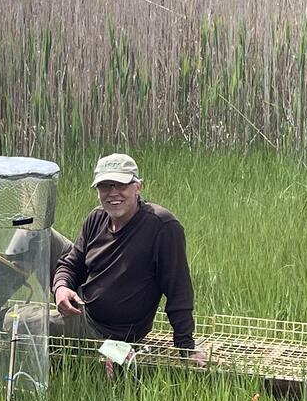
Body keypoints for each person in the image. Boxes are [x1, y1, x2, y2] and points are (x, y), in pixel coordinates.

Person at [53, 153, 208, 367]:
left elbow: (178, 289)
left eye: (121, 185)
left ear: (138, 187)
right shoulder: (96, 217)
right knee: (31, 234)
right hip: (82, 303)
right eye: (105, 186)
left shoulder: (162, 227)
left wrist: (186, 347)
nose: (113, 193)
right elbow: (72, 264)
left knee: (16, 321)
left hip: (104, 330)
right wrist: (61, 287)